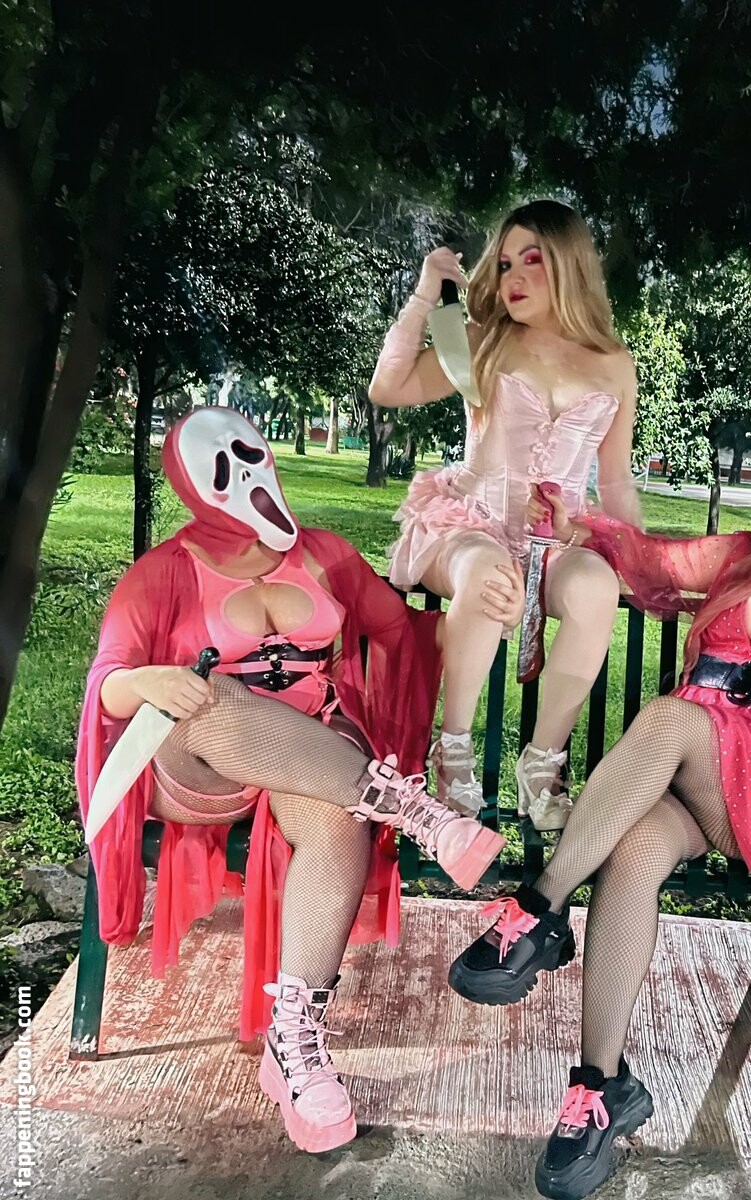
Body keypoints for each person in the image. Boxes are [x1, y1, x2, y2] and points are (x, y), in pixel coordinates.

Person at [447, 462, 751, 1200]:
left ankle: (539, 907)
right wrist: (576, 526)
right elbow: (652, 560)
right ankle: (600, 1089)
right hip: (686, 783)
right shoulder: (738, 560)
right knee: (632, 855)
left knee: (671, 716)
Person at [76, 407, 519, 1154]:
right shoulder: (162, 573)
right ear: (192, 486)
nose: (245, 475)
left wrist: (485, 611)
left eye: (249, 454)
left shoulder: (323, 555)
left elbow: (405, 633)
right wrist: (150, 680)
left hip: (311, 758)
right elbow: (109, 684)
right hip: (200, 761)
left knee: (337, 819)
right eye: (220, 469)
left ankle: (294, 1043)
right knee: (214, 698)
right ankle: (417, 812)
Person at [369, 199, 642, 830]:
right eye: (505, 263)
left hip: (556, 540)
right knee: (492, 572)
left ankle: (542, 762)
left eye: (532, 260)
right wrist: (424, 296)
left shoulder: (613, 364)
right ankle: (453, 751)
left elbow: (615, 480)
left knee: (597, 586)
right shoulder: (483, 340)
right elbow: (389, 388)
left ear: (569, 265)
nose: (512, 276)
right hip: (468, 524)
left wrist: (637, 553)